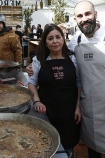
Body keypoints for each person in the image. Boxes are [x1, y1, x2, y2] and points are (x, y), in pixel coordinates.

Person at [27, 1, 105, 158]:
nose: (84, 18)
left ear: (95, 14)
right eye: (80, 16)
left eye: (87, 14)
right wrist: (34, 65)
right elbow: (58, 55)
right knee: (92, 150)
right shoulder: (76, 41)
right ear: (75, 19)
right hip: (88, 108)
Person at [27, 24, 81, 156]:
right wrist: (37, 102)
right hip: (46, 110)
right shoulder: (38, 60)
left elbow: (79, 84)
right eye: (50, 38)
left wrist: (78, 106)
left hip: (69, 110)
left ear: (63, 39)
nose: (55, 41)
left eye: (58, 37)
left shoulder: (74, 58)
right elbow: (31, 83)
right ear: (45, 42)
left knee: (68, 145)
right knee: (46, 144)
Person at [0, 13, 27, 85]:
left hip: (9, 70)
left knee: (11, 90)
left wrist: (18, 66)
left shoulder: (12, 37)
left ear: (3, 24)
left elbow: (18, 51)